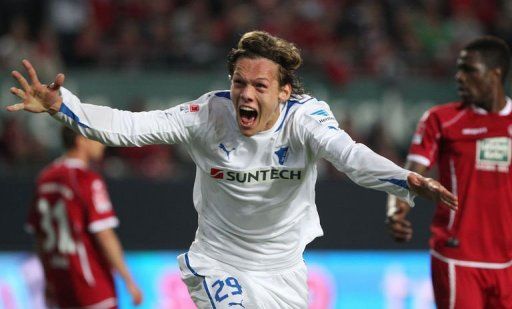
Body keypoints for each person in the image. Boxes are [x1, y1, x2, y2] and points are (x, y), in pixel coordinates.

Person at [7, 31, 457, 308]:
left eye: (259, 85)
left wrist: (405, 178)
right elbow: (130, 126)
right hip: (218, 263)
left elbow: (349, 155)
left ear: (283, 91)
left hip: (284, 272)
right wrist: (61, 106)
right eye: (238, 82)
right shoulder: (208, 114)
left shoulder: (305, 119)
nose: (245, 93)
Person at [386, 36, 512, 309]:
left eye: (469, 70)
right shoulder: (442, 120)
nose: (459, 77)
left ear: (495, 74)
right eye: (458, 69)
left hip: (507, 260)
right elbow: (410, 174)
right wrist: (396, 212)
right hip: (457, 256)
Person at [24, 126, 143, 308]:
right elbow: (105, 235)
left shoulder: (45, 178)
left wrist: (48, 279)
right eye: (96, 137)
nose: (102, 144)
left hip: (60, 282)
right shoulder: (86, 179)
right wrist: (128, 280)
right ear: (81, 140)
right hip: (91, 283)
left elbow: (40, 237)